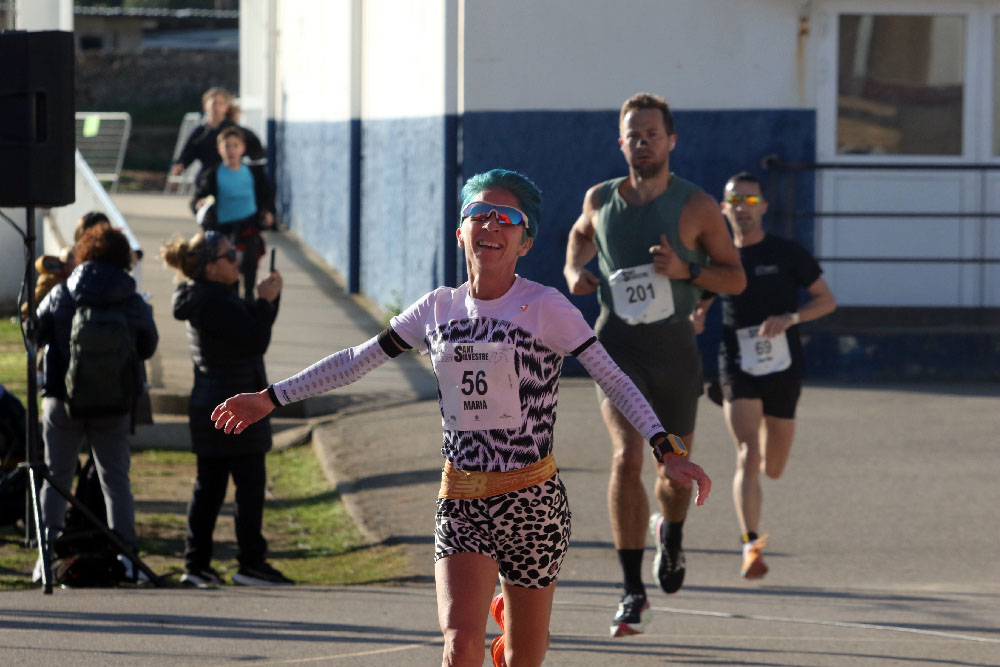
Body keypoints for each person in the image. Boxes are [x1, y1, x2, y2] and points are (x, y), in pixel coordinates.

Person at [210, 169, 711, 667]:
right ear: (461, 231)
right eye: (479, 214)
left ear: (525, 242)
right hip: (461, 500)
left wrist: (665, 446)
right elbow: (355, 360)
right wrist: (272, 397)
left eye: (507, 219)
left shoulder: (545, 307)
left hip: (532, 502)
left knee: (523, 657)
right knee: (459, 644)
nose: (491, 226)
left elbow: (615, 378)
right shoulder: (437, 308)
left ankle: (509, 627)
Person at [563, 92, 746, 637]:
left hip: (674, 351)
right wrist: (575, 271)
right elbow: (577, 238)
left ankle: (672, 534)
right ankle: (631, 590)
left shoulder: (697, 207)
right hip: (616, 345)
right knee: (625, 458)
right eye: (632, 135)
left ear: (670, 141)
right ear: (621, 143)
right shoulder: (600, 199)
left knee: (674, 471)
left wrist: (686, 269)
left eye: (651, 134)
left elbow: (734, 277)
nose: (642, 143)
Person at [692, 172, 835, 579]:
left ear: (764, 207)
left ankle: (755, 523)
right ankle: (750, 546)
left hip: (784, 367)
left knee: (774, 466)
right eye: (735, 200)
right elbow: (698, 302)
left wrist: (792, 317)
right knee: (747, 454)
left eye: (751, 201)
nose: (743, 208)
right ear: (724, 207)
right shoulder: (717, 260)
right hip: (737, 365)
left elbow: (827, 301)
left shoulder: (788, 253)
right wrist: (696, 316)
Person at [160, 230, 289, 588]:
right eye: (229, 256)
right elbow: (254, 339)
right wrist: (264, 303)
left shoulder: (210, 296)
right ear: (209, 267)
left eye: (235, 253)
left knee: (212, 487)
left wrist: (267, 300)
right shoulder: (212, 301)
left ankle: (199, 563)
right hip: (234, 406)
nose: (237, 260)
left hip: (216, 403)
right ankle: (247, 562)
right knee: (245, 486)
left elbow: (250, 327)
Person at [35, 224, 158, 582]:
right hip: (114, 401)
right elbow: (147, 345)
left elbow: (36, 332)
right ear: (123, 259)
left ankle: (46, 555)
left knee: (56, 477)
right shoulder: (132, 299)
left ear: (83, 254)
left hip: (62, 397)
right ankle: (128, 557)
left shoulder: (62, 293)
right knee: (115, 480)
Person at [191, 126, 276, 300]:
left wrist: (268, 214)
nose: (231, 150)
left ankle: (250, 298)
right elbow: (198, 198)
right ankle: (232, 300)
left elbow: (266, 197)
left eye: (235, 145)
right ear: (219, 149)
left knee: (249, 265)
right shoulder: (213, 174)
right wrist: (199, 204)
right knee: (229, 271)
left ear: (242, 149)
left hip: (248, 227)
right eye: (227, 146)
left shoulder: (254, 173)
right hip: (223, 231)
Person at [170, 87, 265, 186]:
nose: (216, 107)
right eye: (213, 103)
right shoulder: (200, 132)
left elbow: (257, 153)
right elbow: (186, 155)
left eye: (220, 104)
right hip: (207, 181)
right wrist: (179, 166)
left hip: (231, 179)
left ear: (226, 107)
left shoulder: (235, 130)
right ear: (205, 106)